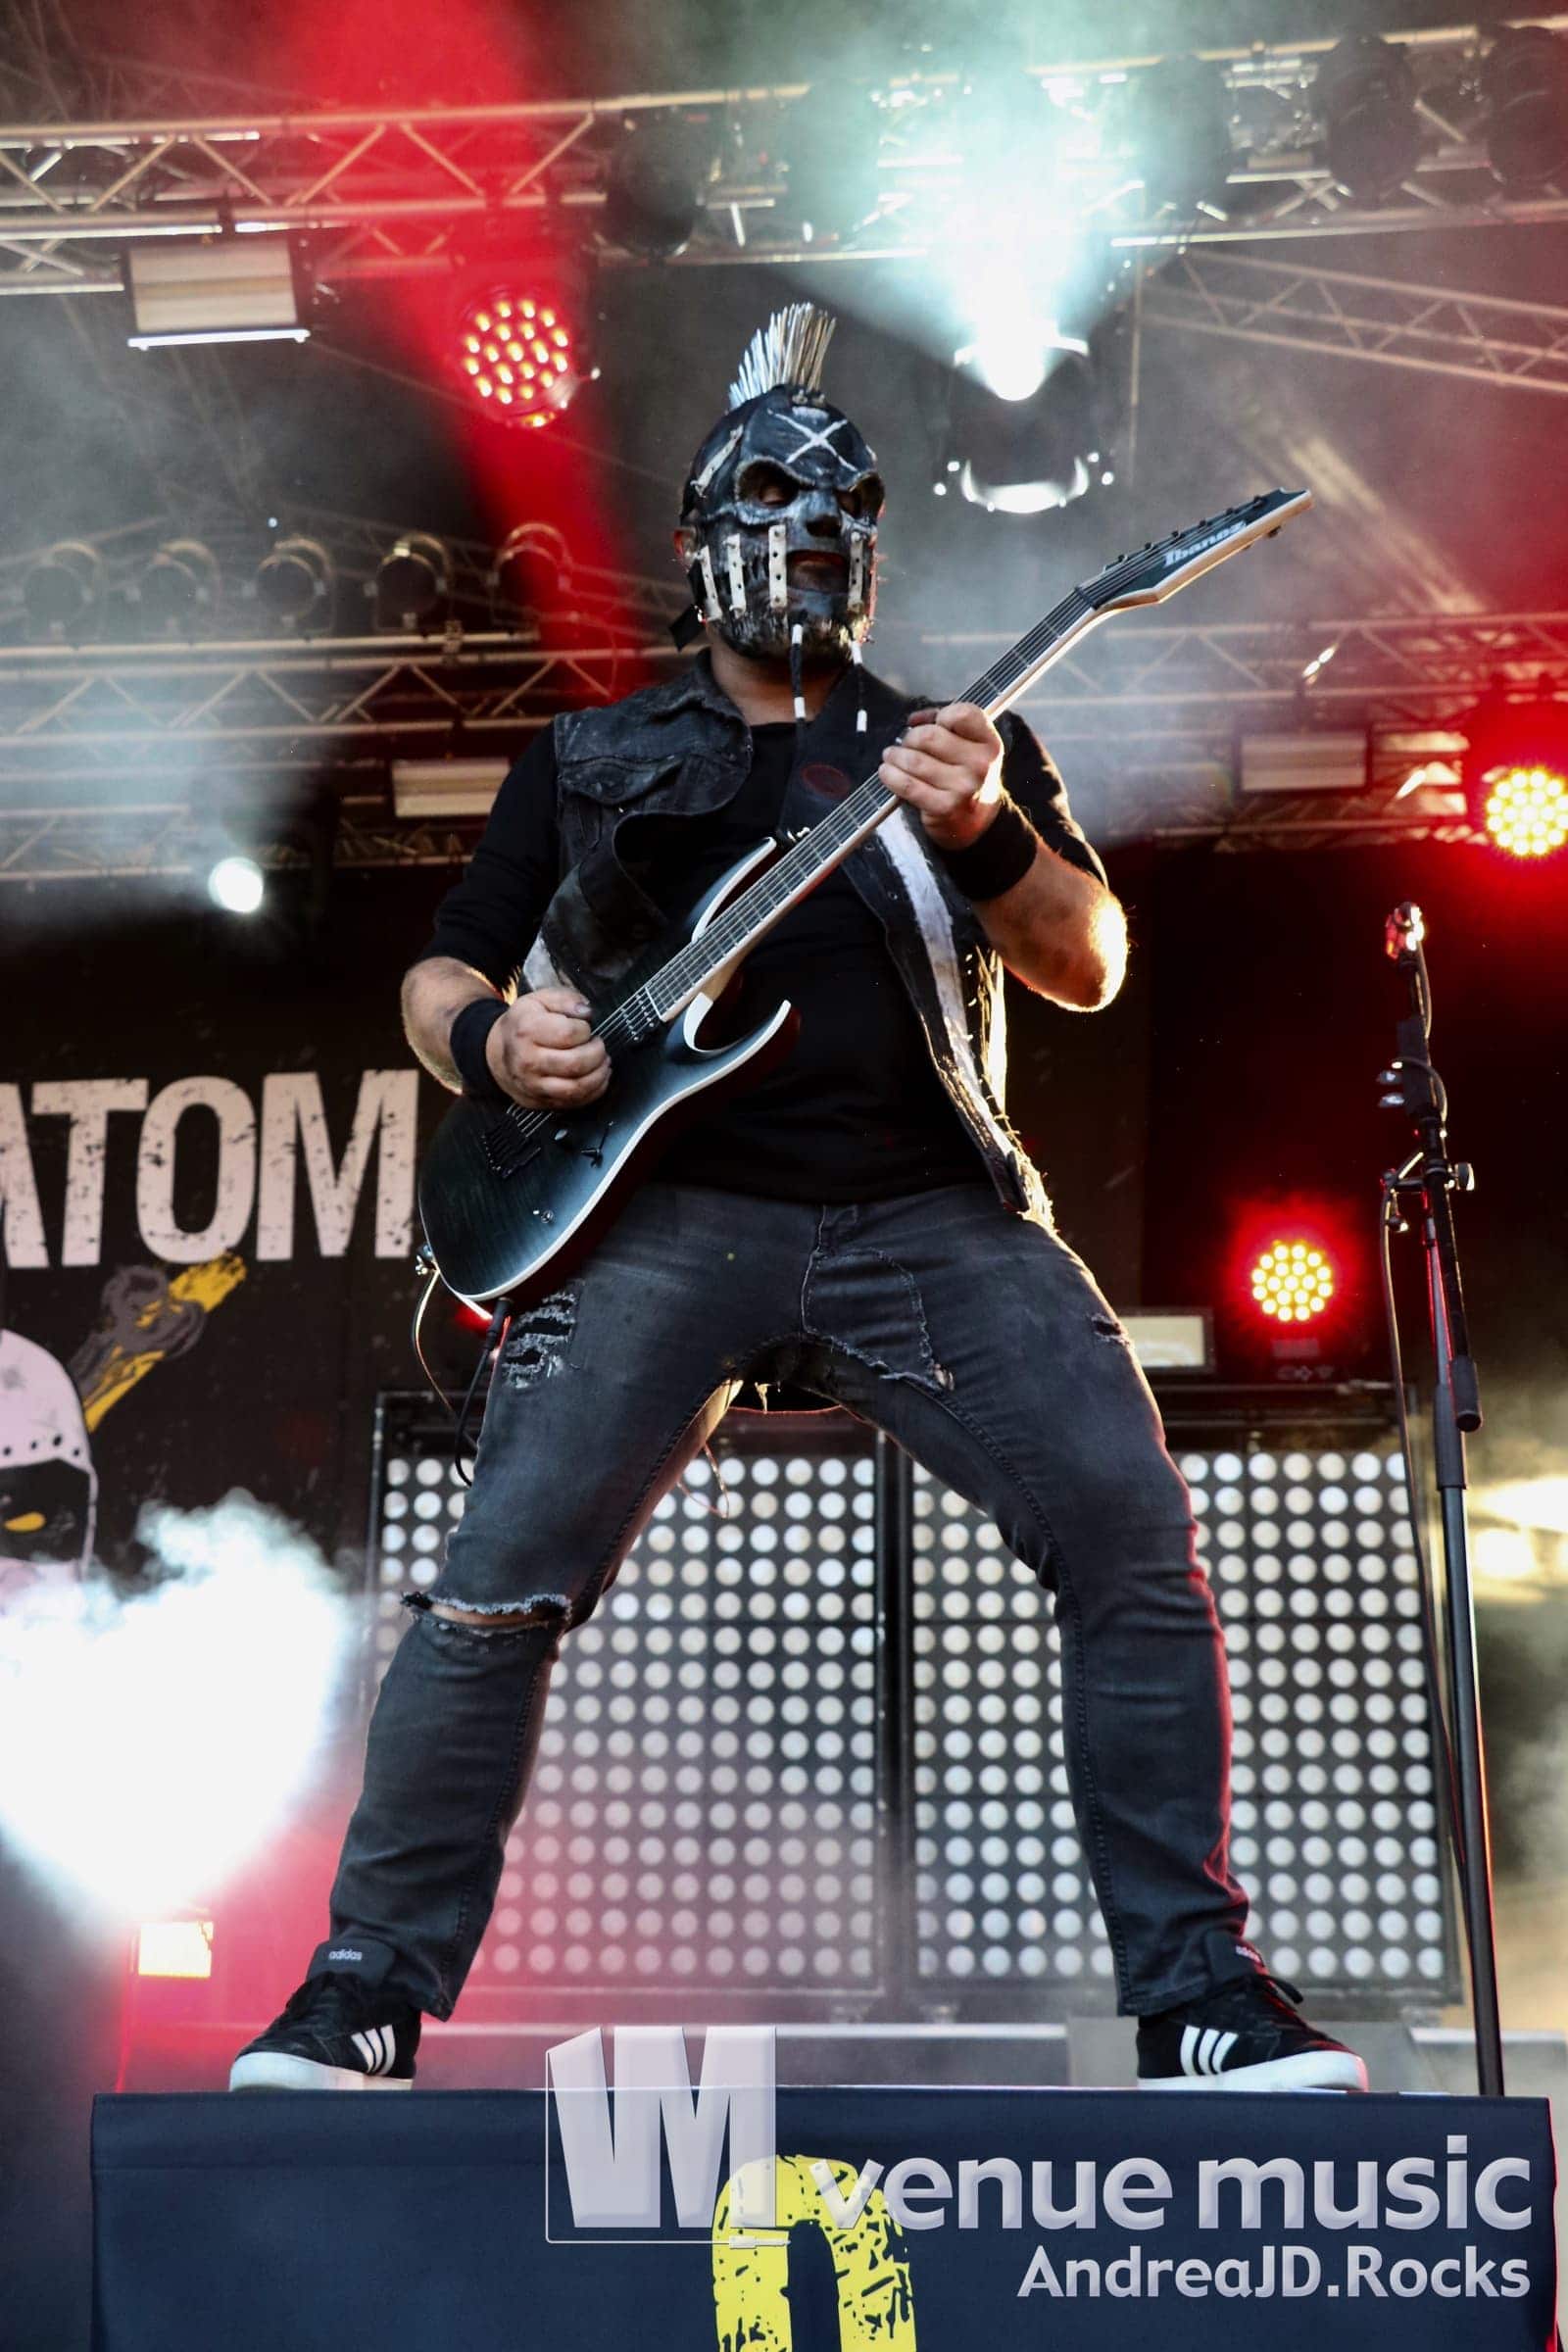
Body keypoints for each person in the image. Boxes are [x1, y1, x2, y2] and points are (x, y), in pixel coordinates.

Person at [231, 305, 1365, 2095]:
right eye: (770, 504)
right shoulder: (588, 758)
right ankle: (360, 1991)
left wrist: (985, 831)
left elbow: (1087, 962)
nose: (810, 536)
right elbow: (440, 974)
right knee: (493, 1591)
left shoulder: (950, 744)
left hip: (929, 1214)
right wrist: (498, 1046)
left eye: (843, 514)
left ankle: (1199, 1999)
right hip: (660, 1219)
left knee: (1135, 1545)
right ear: (699, 541)